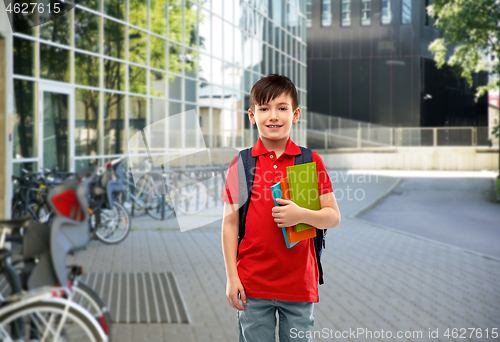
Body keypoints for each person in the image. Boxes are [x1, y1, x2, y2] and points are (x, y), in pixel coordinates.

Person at [221, 74, 341, 342]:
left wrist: (301, 214)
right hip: (252, 285)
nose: (273, 116)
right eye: (264, 108)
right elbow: (229, 224)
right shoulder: (240, 164)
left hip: (299, 285)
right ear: (252, 115)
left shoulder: (309, 161)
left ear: (295, 114)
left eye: (282, 108)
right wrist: (232, 278)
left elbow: (333, 217)